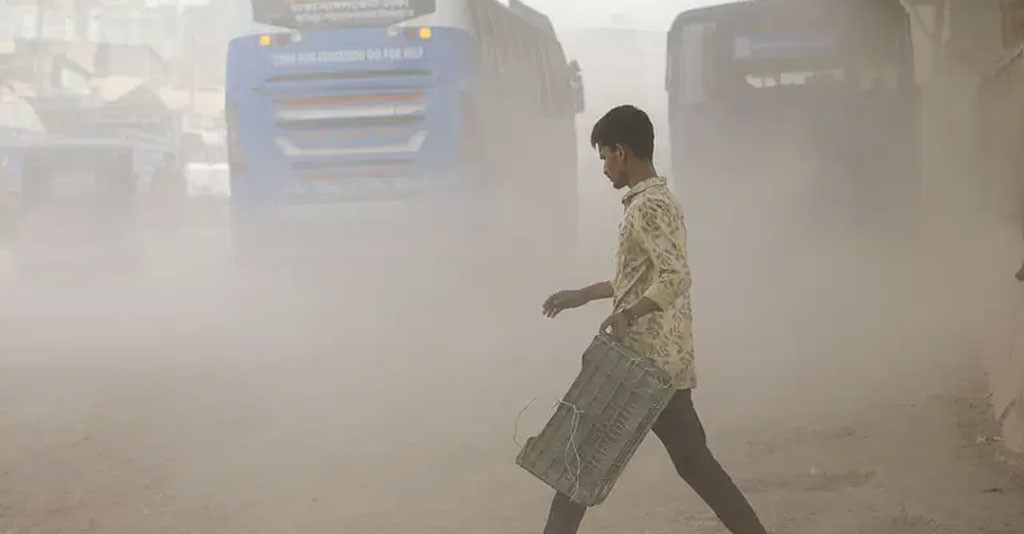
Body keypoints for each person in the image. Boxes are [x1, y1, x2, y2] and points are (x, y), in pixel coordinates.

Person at [540, 105, 768, 534]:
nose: (605, 168)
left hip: (642, 364)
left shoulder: (650, 207)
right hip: (655, 364)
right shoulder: (649, 203)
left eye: (605, 156)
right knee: (693, 464)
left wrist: (628, 313)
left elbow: (675, 276)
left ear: (622, 153)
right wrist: (585, 295)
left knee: (579, 462)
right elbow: (638, 277)